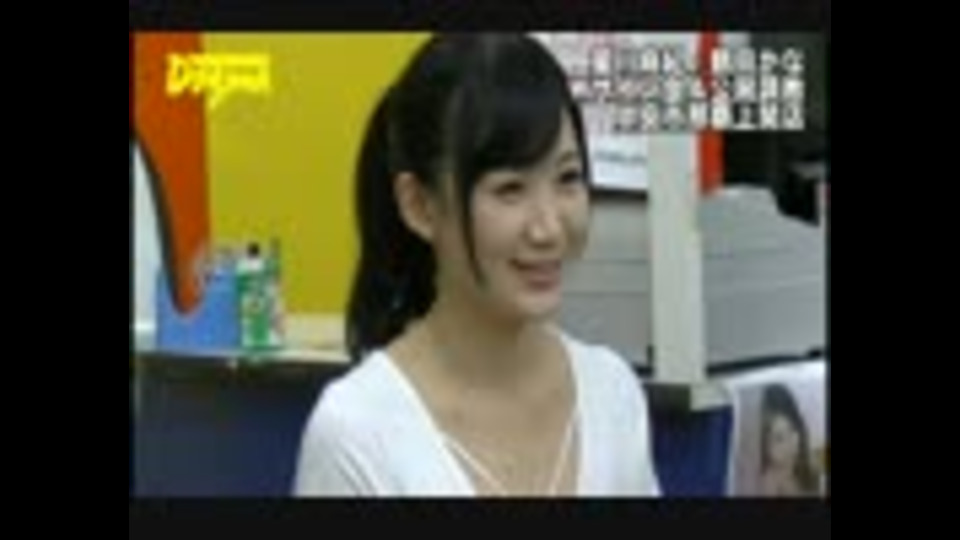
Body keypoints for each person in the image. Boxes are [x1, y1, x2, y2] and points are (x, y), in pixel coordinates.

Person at [294, 33, 661, 497]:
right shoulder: (358, 432)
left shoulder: (611, 394)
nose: (548, 227)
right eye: (510, 189)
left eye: (568, 178)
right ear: (419, 206)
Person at [757, 384, 820, 496]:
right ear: (767, 446)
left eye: (793, 429)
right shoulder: (772, 481)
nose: (792, 441)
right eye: (779, 438)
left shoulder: (810, 464)